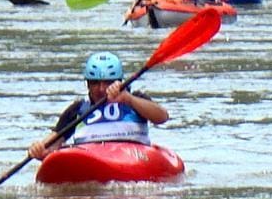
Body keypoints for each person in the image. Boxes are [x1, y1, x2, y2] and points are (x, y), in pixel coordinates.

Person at [28, 52, 169, 160]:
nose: (101, 89)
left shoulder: (135, 100)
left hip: (132, 157)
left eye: (108, 82)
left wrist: (128, 99)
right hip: (90, 160)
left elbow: (162, 117)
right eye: (95, 83)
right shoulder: (78, 109)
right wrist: (39, 150)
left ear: (118, 82)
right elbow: (53, 142)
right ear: (87, 84)